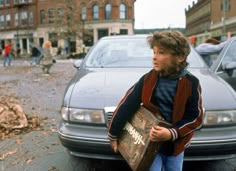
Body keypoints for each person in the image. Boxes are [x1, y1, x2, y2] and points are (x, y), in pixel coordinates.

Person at [108, 30, 203, 171]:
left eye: (161, 53)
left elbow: (195, 117)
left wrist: (171, 133)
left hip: (175, 145)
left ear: (180, 57)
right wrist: (113, 133)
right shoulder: (148, 79)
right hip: (148, 143)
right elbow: (127, 105)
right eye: (154, 52)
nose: (154, 58)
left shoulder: (191, 83)